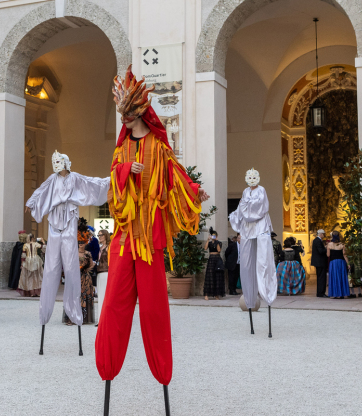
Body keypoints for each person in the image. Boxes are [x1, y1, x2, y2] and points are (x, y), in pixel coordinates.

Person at [97, 65, 208, 412]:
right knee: (114, 302)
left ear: (141, 112)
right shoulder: (120, 153)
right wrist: (124, 172)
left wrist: (195, 192)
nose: (125, 120)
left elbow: (176, 176)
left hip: (151, 238)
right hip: (126, 238)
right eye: (122, 114)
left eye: (129, 114)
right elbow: (113, 195)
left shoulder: (158, 148)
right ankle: (107, 366)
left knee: (155, 309)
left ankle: (162, 371)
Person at [25, 151, 110, 333]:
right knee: (51, 267)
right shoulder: (52, 180)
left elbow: (93, 183)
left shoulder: (75, 178)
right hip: (55, 223)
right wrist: (31, 202)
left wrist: (112, 181)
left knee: (71, 266)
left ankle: (75, 311)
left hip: (70, 221)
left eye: (59, 161)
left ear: (65, 163)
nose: (56, 164)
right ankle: (45, 313)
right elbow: (40, 190)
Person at [229, 168, 277, 337]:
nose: (251, 179)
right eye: (248, 176)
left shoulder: (261, 190)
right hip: (248, 231)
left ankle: (268, 294)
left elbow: (259, 207)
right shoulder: (245, 192)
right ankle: (249, 298)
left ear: (257, 177)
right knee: (247, 264)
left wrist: (248, 208)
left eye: (253, 176)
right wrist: (245, 209)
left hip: (261, 229)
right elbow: (242, 207)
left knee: (263, 262)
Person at [18, 233, 43, 297]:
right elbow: (44, 249)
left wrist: (22, 264)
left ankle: (31, 292)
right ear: (32, 238)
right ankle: (37, 292)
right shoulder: (36, 244)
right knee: (37, 276)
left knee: (29, 277)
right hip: (36, 261)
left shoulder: (25, 245)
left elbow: (23, 256)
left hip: (28, 261)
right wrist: (42, 241)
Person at [203, 228, 225, 300]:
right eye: (212, 236)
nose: (213, 237)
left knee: (217, 277)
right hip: (211, 259)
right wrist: (208, 239)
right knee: (209, 276)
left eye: (214, 236)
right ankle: (206, 294)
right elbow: (205, 248)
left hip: (217, 259)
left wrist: (216, 241)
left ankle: (216, 294)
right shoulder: (209, 243)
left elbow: (219, 250)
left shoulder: (219, 243)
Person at [327, 231, 350, 299]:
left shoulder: (329, 244)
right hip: (341, 262)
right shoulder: (342, 244)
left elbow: (328, 255)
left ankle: (335, 294)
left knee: (334, 277)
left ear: (332, 236)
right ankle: (342, 293)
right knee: (341, 277)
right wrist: (348, 264)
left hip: (333, 263)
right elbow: (345, 255)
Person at [96, 229, 110, 325]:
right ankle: (100, 319)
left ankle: (105, 319)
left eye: (101, 235)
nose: (99, 237)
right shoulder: (100, 248)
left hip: (106, 273)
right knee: (100, 296)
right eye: (98, 235)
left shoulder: (109, 247)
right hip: (99, 273)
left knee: (105, 296)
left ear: (105, 236)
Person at [311, 230, 328, 298]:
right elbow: (320, 251)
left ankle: (320, 292)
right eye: (323, 234)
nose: (324, 235)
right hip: (320, 262)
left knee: (320, 278)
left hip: (319, 262)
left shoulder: (316, 240)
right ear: (321, 234)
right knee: (322, 278)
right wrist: (326, 248)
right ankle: (321, 293)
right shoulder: (318, 241)